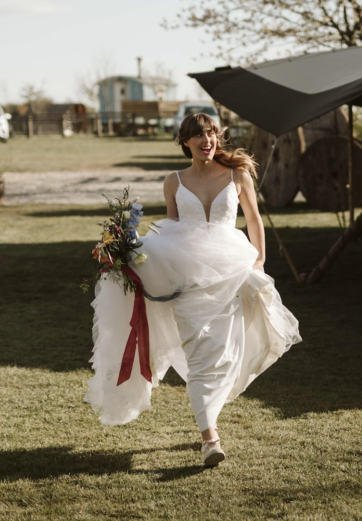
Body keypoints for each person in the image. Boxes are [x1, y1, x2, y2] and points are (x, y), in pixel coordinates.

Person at [85, 113, 301, 466]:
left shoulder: (238, 175)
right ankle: (210, 439)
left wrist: (258, 262)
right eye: (200, 135)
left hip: (230, 274)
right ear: (185, 142)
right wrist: (129, 249)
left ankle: (209, 415)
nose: (208, 140)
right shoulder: (173, 181)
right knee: (200, 358)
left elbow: (254, 219)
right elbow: (171, 229)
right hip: (187, 281)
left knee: (225, 355)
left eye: (213, 133)